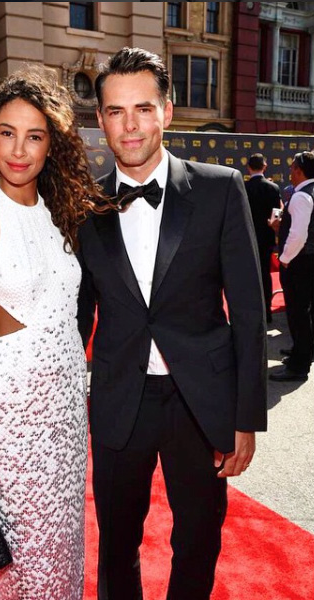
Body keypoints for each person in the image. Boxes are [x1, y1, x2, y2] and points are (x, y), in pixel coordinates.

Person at [77, 47, 267, 600]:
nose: (130, 125)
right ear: (101, 119)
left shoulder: (219, 187)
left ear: (168, 111)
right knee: (116, 547)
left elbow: (249, 311)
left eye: (143, 108)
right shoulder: (84, 204)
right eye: (116, 111)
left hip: (200, 401)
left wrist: (245, 417)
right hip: (119, 398)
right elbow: (77, 316)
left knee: (198, 542)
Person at [0, 65, 105, 599]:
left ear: (50, 145)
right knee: (21, 561)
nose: (19, 149)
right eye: (7, 133)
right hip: (8, 409)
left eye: (34, 136)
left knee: (61, 550)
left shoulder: (62, 211)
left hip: (66, 405)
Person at [270, 151, 314, 382]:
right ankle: (302, 351)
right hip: (308, 260)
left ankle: (299, 366)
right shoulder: (308, 192)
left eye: (292, 167)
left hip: (299, 261)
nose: (289, 171)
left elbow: (298, 235)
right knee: (305, 312)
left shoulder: (300, 197)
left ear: (299, 170)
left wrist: (285, 258)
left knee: (298, 313)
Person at [245, 153, 281, 323]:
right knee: (265, 274)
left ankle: (250, 313)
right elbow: (276, 214)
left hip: (246, 238)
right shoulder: (273, 188)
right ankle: (267, 312)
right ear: (265, 167)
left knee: (248, 275)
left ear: (248, 168)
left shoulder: (243, 187)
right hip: (266, 238)